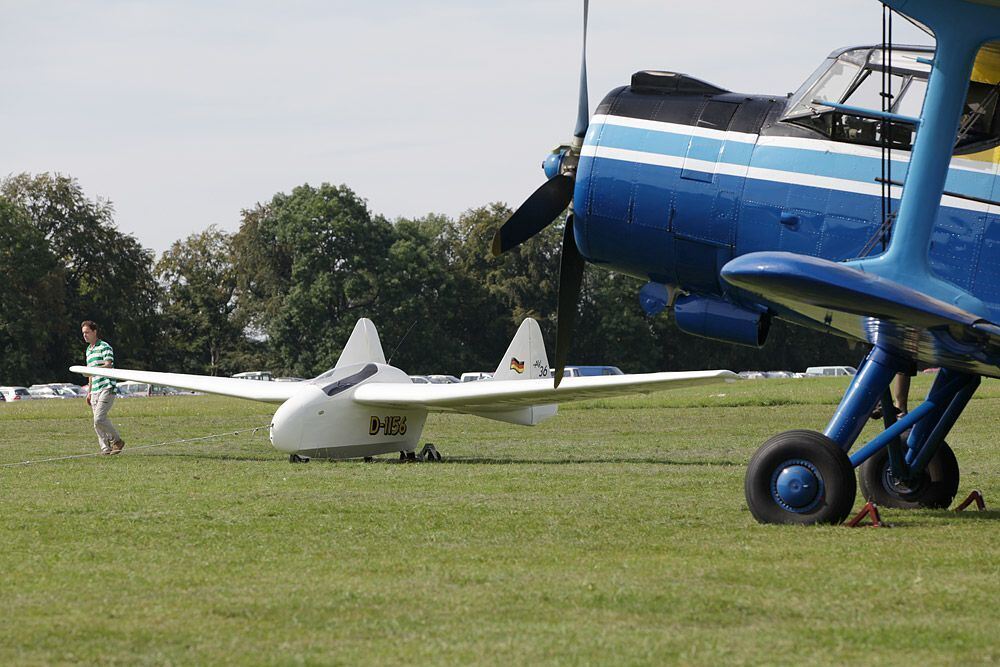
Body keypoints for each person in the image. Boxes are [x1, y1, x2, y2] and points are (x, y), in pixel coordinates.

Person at [82, 320, 125, 455]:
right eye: (83, 333)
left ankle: (117, 440)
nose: (85, 335)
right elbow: (90, 374)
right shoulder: (89, 350)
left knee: (99, 418)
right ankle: (105, 449)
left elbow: (108, 365)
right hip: (95, 389)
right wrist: (89, 392)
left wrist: (95, 369)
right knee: (96, 422)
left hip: (107, 387)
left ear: (95, 332)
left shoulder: (105, 347)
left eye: (87, 332)